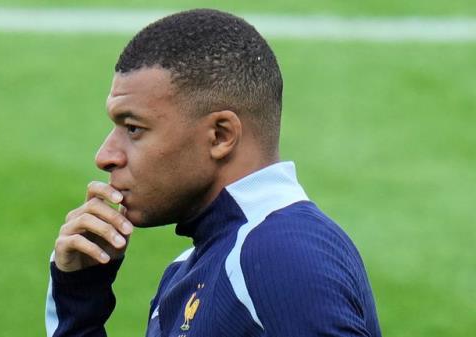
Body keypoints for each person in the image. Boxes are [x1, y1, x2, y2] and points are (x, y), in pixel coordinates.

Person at [45, 8, 381, 337]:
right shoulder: (190, 270)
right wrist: (79, 301)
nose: (105, 156)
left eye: (133, 129)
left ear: (220, 135)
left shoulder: (279, 255)